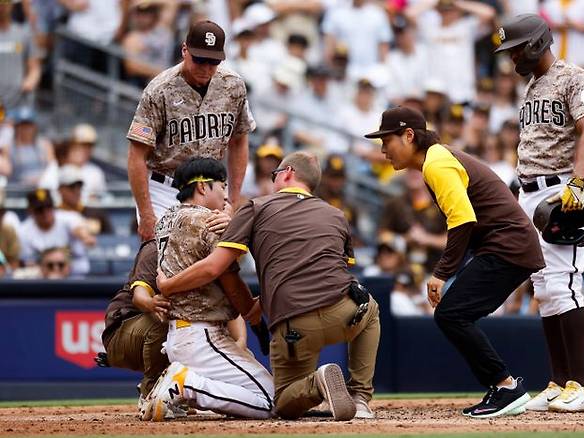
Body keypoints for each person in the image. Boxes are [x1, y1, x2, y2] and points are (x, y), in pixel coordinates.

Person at [157, 151, 381, 421]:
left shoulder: (256, 207)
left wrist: (168, 286)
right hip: (344, 314)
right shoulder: (336, 215)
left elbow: (214, 267)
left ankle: (318, 383)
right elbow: (319, 270)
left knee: (282, 403)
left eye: (275, 175)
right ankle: (360, 399)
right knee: (371, 311)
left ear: (287, 174)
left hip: (294, 323)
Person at [365, 106, 544, 418]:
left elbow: (462, 221)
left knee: (451, 314)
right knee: (454, 314)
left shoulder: (436, 162)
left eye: (387, 140)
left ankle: (506, 387)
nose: (383, 150)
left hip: (507, 246)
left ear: (409, 136)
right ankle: (502, 386)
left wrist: (441, 273)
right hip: (505, 245)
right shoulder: (437, 159)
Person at [495, 14, 584, 412]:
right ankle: (560, 382)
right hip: (530, 193)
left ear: (537, 44)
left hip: (563, 191)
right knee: (544, 289)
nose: (510, 57)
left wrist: (577, 182)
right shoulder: (533, 85)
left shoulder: (575, 77)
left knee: (564, 284)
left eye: (515, 49)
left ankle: (580, 385)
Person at [145, 157, 274, 421]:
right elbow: (228, 279)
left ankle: (182, 384)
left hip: (180, 335)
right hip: (201, 335)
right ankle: (186, 385)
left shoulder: (165, 219)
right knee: (270, 400)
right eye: (222, 186)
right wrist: (250, 310)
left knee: (246, 391)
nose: (226, 195)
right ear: (203, 187)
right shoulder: (209, 221)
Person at [101, 208, 250, 420]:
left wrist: (241, 341)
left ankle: (181, 392)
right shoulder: (156, 247)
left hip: (178, 333)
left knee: (211, 329)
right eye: (221, 191)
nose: (224, 204)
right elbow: (139, 296)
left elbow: (227, 304)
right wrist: (152, 302)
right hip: (125, 329)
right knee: (172, 317)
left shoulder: (206, 247)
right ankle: (150, 390)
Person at [127, 20, 254, 241]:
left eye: (213, 62)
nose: (206, 68)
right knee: (164, 261)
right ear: (184, 50)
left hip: (212, 187)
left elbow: (239, 140)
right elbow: (136, 155)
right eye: (200, 60)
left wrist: (232, 200)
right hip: (166, 187)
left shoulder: (233, 85)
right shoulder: (159, 90)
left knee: (215, 264)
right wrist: (147, 214)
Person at [18, 189, 96, 277]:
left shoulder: (68, 218)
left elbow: (79, 229)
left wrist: (85, 237)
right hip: (41, 277)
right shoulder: (23, 231)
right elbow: (29, 262)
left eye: (49, 207)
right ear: (30, 210)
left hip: (75, 274)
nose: (45, 212)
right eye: (39, 209)